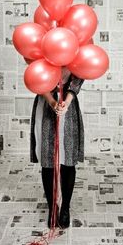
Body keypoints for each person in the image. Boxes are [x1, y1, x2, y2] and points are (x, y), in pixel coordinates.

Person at [30, 67, 84, 229]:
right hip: (46, 104)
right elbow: (37, 78)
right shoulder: (42, 48)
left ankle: (65, 208)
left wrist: (66, 103)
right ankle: (53, 208)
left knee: (68, 160)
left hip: (68, 106)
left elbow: (79, 77)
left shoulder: (76, 51)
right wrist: (52, 102)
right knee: (48, 161)